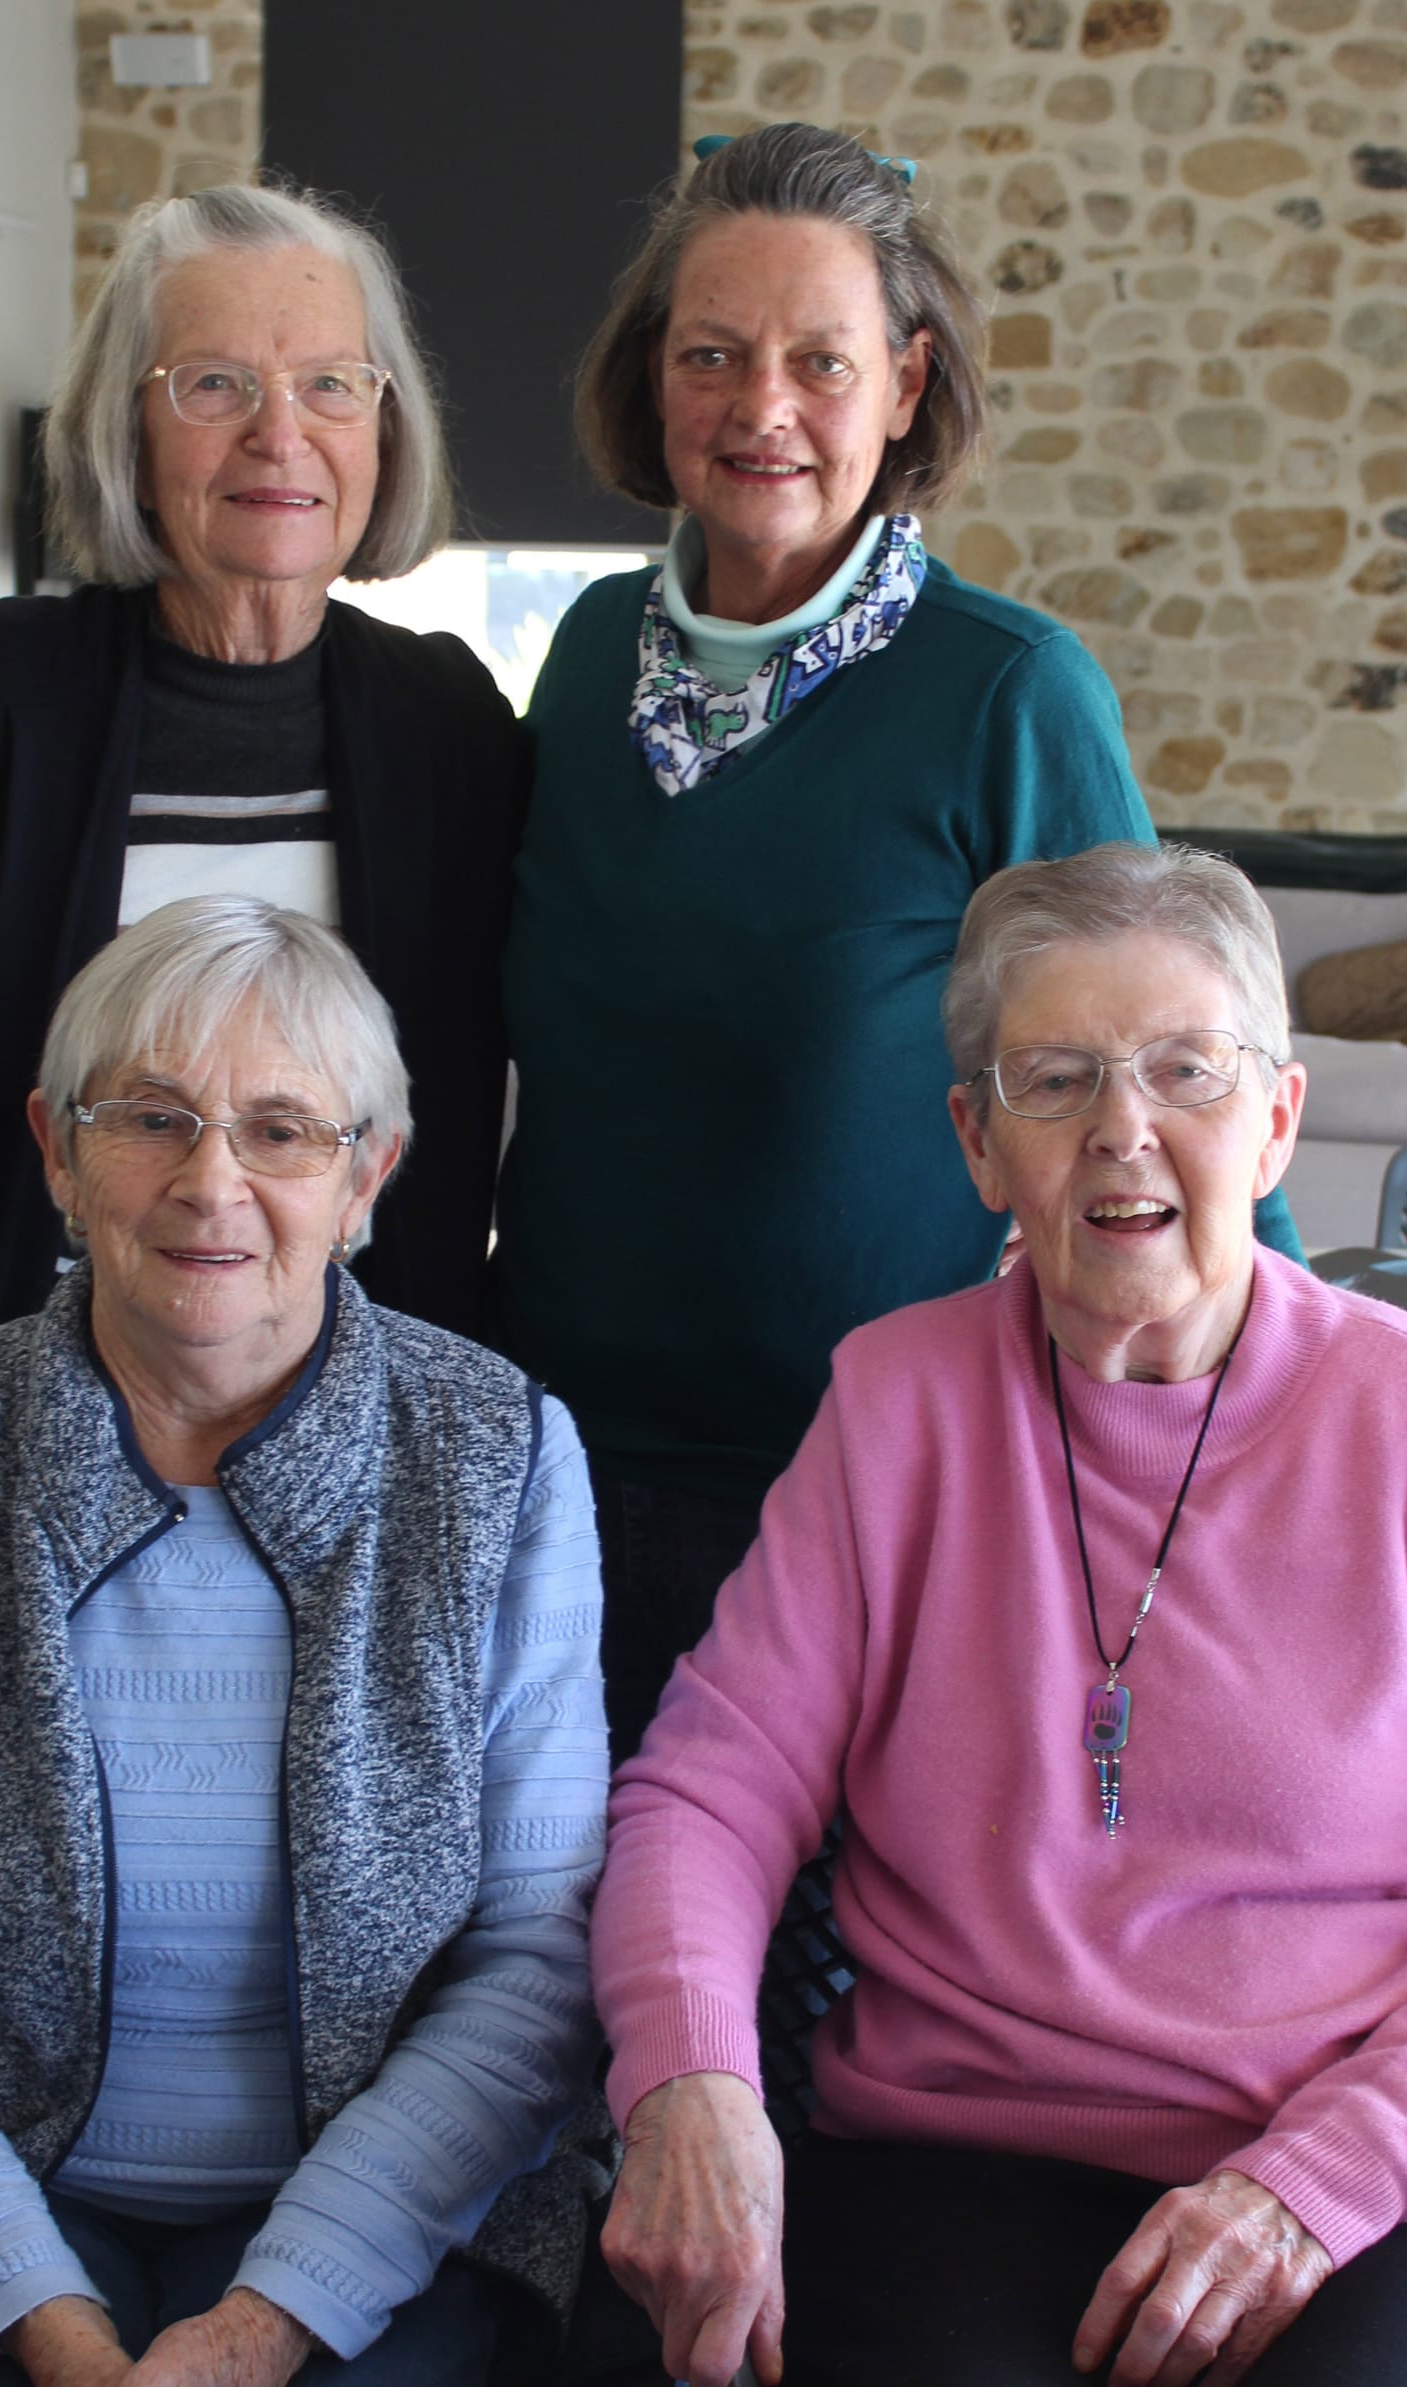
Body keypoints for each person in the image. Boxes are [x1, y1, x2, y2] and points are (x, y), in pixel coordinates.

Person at [589, 841, 1407, 2387]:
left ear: (1277, 1122)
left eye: (1188, 1069)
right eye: (1057, 1080)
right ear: (979, 1145)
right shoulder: (897, 1407)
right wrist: (691, 2075)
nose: (1124, 1127)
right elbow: (709, 1791)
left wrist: (1316, 2185)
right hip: (982, 2163)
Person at [0, 898, 606, 2387]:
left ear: (368, 1175)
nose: (211, 1183)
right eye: (150, 1119)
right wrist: (52, 2329)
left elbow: (535, 1968)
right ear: (57, 1153)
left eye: (281, 1131)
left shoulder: (499, 1458)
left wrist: (270, 2319)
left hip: (399, 2210)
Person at [488, 123, 1300, 1767]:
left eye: (821, 360)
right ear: (654, 376)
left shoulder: (1008, 692)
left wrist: (1279, 1425)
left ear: (908, 384)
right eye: (711, 354)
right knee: (568, 1918)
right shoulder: (582, 658)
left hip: (870, 1493)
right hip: (547, 1476)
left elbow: (1172, 1070)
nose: (761, 406)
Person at [0, 182, 523, 1754]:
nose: (280, 433)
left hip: (335, 1524)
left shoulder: (448, 732)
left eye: (330, 382)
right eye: (214, 383)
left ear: (385, 426)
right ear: (123, 431)